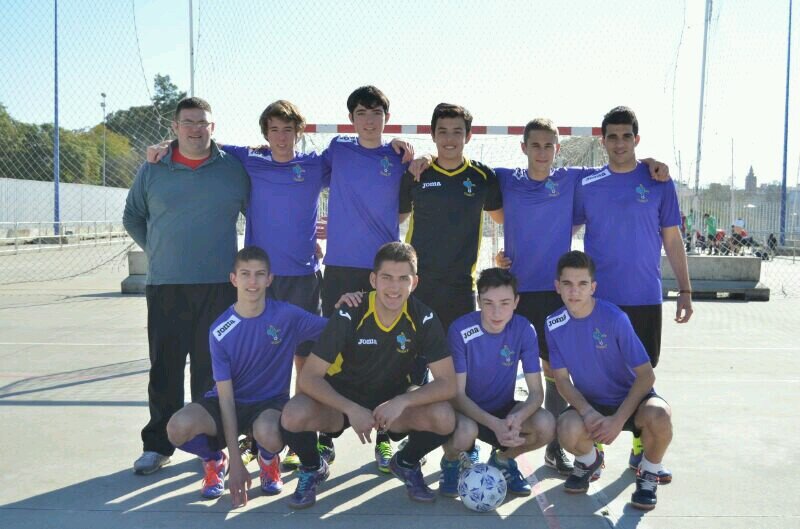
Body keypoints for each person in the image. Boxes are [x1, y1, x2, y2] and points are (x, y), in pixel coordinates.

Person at [492, 118, 670, 475]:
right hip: (520, 291)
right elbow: (466, 172)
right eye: (535, 145)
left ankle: (559, 444)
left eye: (549, 146)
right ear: (523, 147)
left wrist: (651, 162)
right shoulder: (504, 179)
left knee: (556, 370)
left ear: (557, 150)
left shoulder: (571, 179)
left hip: (558, 291)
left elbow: (620, 166)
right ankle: (511, 441)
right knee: (518, 367)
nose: (542, 152)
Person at [123, 97, 250, 475]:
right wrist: (160, 250)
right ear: (175, 128)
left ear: (214, 127)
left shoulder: (233, 169)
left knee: (210, 370)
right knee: (165, 367)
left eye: (203, 122)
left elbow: (256, 212)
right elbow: (133, 216)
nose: (196, 128)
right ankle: (158, 444)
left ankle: (209, 445)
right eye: (188, 122)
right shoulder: (154, 168)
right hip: (167, 284)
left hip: (218, 286)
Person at [279, 242, 457, 509]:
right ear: (373, 279)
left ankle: (406, 462)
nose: (394, 287)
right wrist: (351, 408)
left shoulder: (424, 317)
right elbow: (308, 377)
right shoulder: (351, 310)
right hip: (342, 399)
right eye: (386, 277)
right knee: (292, 414)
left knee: (444, 417)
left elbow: (448, 383)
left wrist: (402, 402)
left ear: (415, 282)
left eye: (402, 279)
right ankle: (313, 467)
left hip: (392, 403)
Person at [572, 106, 690, 482]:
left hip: (644, 298)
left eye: (626, 136)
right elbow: (559, 222)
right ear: (603, 141)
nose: (619, 143)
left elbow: (672, 239)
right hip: (599, 301)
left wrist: (685, 289)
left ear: (637, 139)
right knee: (599, 372)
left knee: (642, 373)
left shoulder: (658, 181)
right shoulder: (587, 184)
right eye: (612, 136)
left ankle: (641, 445)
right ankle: (596, 445)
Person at [165, 246, 327, 505]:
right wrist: (236, 462)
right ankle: (215, 461)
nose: (252, 281)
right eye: (245, 274)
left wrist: (347, 305)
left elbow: (333, 330)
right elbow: (226, 400)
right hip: (228, 402)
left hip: (268, 404)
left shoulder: (286, 315)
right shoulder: (221, 329)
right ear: (234, 279)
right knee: (176, 428)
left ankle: (267, 460)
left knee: (270, 433)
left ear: (269, 279)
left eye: (260, 274)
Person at [545, 251, 673, 511]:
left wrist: (617, 421)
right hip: (593, 403)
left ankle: (649, 473)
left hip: (632, 402)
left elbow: (647, 375)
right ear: (557, 287)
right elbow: (561, 380)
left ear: (593, 287)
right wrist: (587, 411)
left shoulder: (614, 318)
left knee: (660, 415)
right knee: (565, 428)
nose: (574, 291)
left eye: (582, 284)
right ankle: (589, 461)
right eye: (567, 284)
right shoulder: (553, 324)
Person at [439, 268, 555, 498]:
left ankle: (502, 459)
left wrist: (516, 419)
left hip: (503, 410)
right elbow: (457, 395)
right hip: (466, 410)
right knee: (465, 431)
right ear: (478, 301)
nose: (496, 311)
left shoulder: (524, 329)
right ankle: (451, 462)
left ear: (516, 302)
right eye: (488, 302)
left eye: (504, 302)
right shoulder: (461, 330)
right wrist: (495, 425)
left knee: (546, 424)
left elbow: (536, 394)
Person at [399, 102, 503, 332]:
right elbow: (394, 219)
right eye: (442, 131)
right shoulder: (417, 173)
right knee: (414, 360)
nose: (449, 139)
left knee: (457, 363)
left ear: (469, 136)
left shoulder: (482, 176)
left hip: (461, 285)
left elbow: (503, 219)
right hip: (417, 282)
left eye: (457, 132)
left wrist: (509, 254)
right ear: (432, 135)